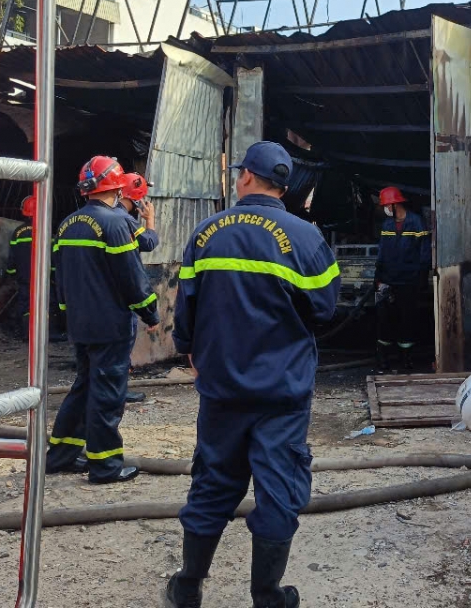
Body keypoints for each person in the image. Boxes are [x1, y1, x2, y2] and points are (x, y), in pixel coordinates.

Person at [166, 141, 339, 608]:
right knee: (279, 490)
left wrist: (188, 348)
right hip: (281, 391)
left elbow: (186, 307)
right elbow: (326, 307)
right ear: (283, 187)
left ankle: (187, 589)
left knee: (213, 484)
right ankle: (267, 595)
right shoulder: (304, 237)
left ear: (245, 177)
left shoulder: (205, 234)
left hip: (222, 389)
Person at [46, 155, 160, 485]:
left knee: (83, 387)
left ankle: (61, 455)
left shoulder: (68, 223)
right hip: (110, 325)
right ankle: (106, 466)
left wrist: (65, 315)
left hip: (80, 325)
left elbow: (60, 277)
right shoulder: (115, 223)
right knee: (107, 393)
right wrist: (150, 312)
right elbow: (131, 276)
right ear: (116, 185)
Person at [373, 186, 430, 372]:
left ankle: (405, 361)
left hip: (408, 281)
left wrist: (421, 278)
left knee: (407, 321)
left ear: (394, 204)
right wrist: (379, 278)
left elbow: (424, 252)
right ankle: (383, 361)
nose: (384, 209)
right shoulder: (387, 225)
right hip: (388, 281)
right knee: (384, 321)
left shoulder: (416, 222)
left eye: (385, 206)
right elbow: (382, 253)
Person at [119, 173, 158, 404]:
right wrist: (149, 220)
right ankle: (119, 391)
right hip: (120, 300)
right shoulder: (123, 220)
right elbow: (149, 243)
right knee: (122, 347)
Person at [5, 194, 64, 342]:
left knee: (25, 304)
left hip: (24, 278)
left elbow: (12, 258)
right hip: (44, 279)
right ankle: (48, 333)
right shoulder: (46, 231)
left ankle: (26, 333)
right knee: (48, 303)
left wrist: (11, 274)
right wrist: (54, 276)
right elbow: (53, 257)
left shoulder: (17, 232)